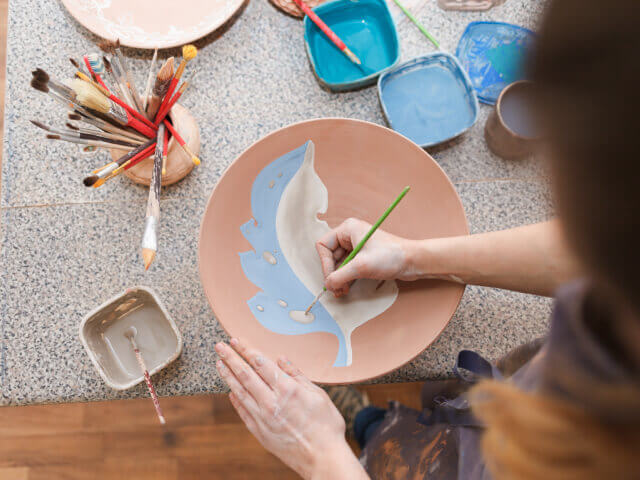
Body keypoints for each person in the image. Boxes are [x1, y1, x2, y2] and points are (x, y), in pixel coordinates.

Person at [214, 0, 640, 478]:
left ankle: (368, 434)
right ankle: (375, 424)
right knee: (410, 433)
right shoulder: (617, 239)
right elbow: (601, 248)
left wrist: (322, 456)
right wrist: (411, 257)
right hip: (511, 412)